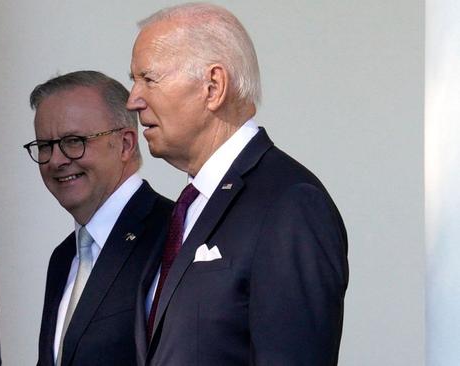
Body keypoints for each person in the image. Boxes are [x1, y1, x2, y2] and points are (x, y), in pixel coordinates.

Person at [126, 4, 349, 365]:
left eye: (148, 79)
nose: (133, 99)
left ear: (213, 87)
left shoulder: (289, 204)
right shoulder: (186, 209)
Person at [26, 70, 173, 366]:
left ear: (126, 144)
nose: (56, 160)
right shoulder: (64, 257)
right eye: (45, 146)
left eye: (73, 141)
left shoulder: (173, 235)